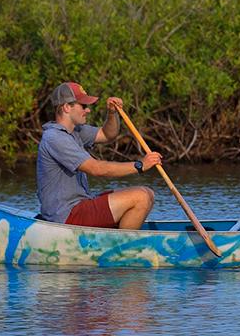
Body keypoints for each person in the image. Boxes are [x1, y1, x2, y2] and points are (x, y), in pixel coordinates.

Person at [37, 81, 163, 229]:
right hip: (65, 216)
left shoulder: (76, 131)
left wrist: (112, 113)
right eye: (83, 106)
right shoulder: (55, 138)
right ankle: (124, 248)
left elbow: (107, 134)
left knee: (148, 193)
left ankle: (121, 239)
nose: (88, 110)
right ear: (66, 107)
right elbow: (96, 169)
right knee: (140, 197)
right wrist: (140, 165)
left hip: (81, 205)